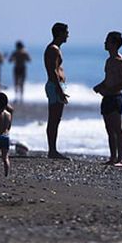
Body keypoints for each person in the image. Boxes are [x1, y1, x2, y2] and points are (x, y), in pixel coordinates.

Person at [93, 31, 122, 167]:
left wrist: (109, 91)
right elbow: (108, 79)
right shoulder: (109, 61)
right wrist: (100, 86)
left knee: (117, 129)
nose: (105, 43)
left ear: (114, 44)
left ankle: (121, 159)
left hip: (115, 98)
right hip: (107, 98)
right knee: (109, 129)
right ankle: (113, 157)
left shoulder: (121, 61)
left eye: (107, 41)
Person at [44, 22, 70, 159]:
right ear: (59, 33)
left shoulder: (56, 48)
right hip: (55, 86)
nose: (68, 35)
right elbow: (53, 71)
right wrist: (60, 90)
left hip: (57, 86)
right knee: (53, 119)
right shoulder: (53, 49)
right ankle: (52, 150)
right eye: (66, 32)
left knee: (56, 119)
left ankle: (53, 149)